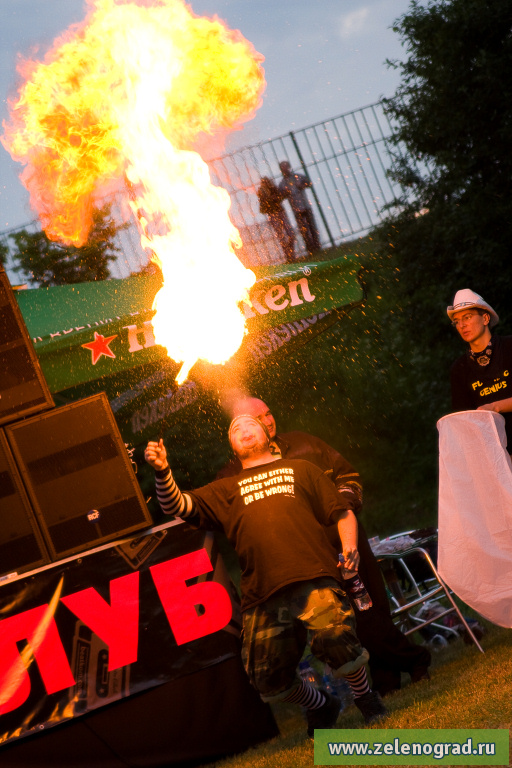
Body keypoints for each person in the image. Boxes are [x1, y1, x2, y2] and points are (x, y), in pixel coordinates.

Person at [145, 415, 387, 737]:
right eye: (235, 429)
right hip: (261, 593)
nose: (243, 429)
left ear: (267, 436)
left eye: (250, 425)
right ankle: (320, 704)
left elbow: (342, 512)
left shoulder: (301, 469)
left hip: (313, 575)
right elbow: (178, 505)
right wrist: (163, 471)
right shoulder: (225, 488)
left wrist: (350, 548)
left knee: (336, 638)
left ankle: (366, 698)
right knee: (266, 677)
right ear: (233, 447)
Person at [217, 397, 432, 697]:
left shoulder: (304, 444)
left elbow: (348, 476)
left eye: (268, 413)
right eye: (257, 419)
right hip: (303, 558)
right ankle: (412, 661)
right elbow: (232, 521)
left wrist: (338, 509)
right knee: (346, 623)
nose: (268, 421)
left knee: (369, 611)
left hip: (343, 540)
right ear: (240, 430)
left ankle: (390, 678)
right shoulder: (233, 475)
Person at [448, 289, 512, 448]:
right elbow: (465, 424)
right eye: (456, 321)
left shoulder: (509, 347)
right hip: (495, 454)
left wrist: (494, 407)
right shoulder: (459, 369)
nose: (462, 325)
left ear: (485, 318)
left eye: (467, 317)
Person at [278, 161, 321, 255]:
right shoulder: (282, 183)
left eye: (286, 167)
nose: (285, 169)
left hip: (305, 205)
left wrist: (302, 185)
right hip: (296, 209)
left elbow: (308, 183)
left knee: (312, 226)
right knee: (303, 229)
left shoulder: (298, 177)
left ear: (289, 167)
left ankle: (317, 245)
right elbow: (280, 196)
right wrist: (285, 193)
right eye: (282, 168)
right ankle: (310, 248)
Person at [257, 177, 296, 263]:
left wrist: (278, 196)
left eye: (267, 182)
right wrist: (271, 198)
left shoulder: (274, 189)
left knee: (290, 234)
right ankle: (289, 256)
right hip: (273, 214)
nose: (267, 184)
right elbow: (263, 205)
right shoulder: (262, 191)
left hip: (280, 212)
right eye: (265, 182)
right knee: (281, 236)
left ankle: (291, 254)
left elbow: (281, 196)